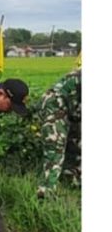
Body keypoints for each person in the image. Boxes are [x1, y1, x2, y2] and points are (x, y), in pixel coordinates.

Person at [36, 67, 81, 196]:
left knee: (76, 145)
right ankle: (45, 192)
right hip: (55, 106)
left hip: (75, 109)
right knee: (55, 146)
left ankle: (71, 180)